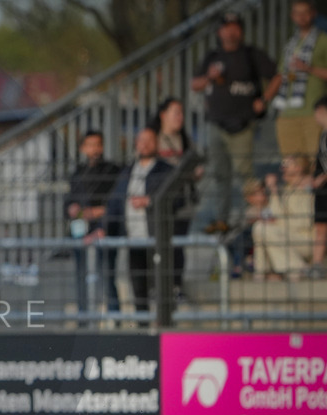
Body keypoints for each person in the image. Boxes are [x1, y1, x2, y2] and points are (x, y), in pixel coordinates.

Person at [191, 12, 281, 235]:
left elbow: (277, 77)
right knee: (220, 174)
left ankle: (258, 215)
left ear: (241, 30)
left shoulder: (250, 54)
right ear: (219, 32)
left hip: (242, 125)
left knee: (245, 173)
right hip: (216, 124)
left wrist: (264, 99)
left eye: (235, 27)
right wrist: (210, 77)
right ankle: (222, 220)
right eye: (226, 27)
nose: (231, 31)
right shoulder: (212, 56)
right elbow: (195, 84)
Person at [100, 128, 176, 318]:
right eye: (141, 140)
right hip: (133, 240)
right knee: (138, 288)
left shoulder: (166, 170)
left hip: (157, 238)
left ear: (156, 144)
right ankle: (142, 330)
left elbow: (178, 198)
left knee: (161, 287)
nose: (145, 144)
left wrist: (150, 201)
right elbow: (115, 203)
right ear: (136, 143)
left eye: (150, 140)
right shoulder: (127, 171)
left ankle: (164, 326)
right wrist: (104, 228)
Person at [64, 130, 121, 323]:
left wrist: (95, 213)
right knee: (81, 276)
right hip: (80, 232)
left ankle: (114, 319)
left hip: (104, 231)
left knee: (106, 276)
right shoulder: (77, 173)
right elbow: (69, 202)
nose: (94, 149)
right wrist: (74, 210)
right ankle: (83, 318)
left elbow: (115, 203)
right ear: (82, 148)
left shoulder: (112, 170)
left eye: (98, 144)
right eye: (90, 144)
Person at [148, 97, 197, 297]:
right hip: (159, 203)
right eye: (176, 112)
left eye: (182, 113)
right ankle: (157, 286)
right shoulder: (153, 139)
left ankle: (176, 285)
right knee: (158, 244)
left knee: (177, 245)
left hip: (183, 202)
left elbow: (195, 164)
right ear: (163, 115)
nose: (180, 117)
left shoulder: (186, 140)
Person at [274, 0, 327, 157]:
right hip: (287, 113)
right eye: (297, 13)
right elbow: (282, 75)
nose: (302, 17)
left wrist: (308, 68)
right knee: (292, 167)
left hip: (314, 113)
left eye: (305, 12)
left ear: (313, 14)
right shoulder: (291, 43)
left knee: (316, 163)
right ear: (292, 16)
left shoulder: (323, 40)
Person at [252, 155, 317, 280]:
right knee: (259, 227)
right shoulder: (287, 190)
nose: (282, 167)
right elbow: (275, 214)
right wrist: (273, 191)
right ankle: (261, 273)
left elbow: (305, 222)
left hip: (308, 239)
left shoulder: (309, 189)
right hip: (290, 236)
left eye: (287, 164)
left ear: (298, 168)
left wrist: (278, 223)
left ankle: (297, 268)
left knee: (264, 228)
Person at [308, 95, 327, 278]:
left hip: (324, 186)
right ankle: (317, 264)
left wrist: (322, 177)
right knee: (320, 227)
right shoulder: (322, 134)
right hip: (321, 191)